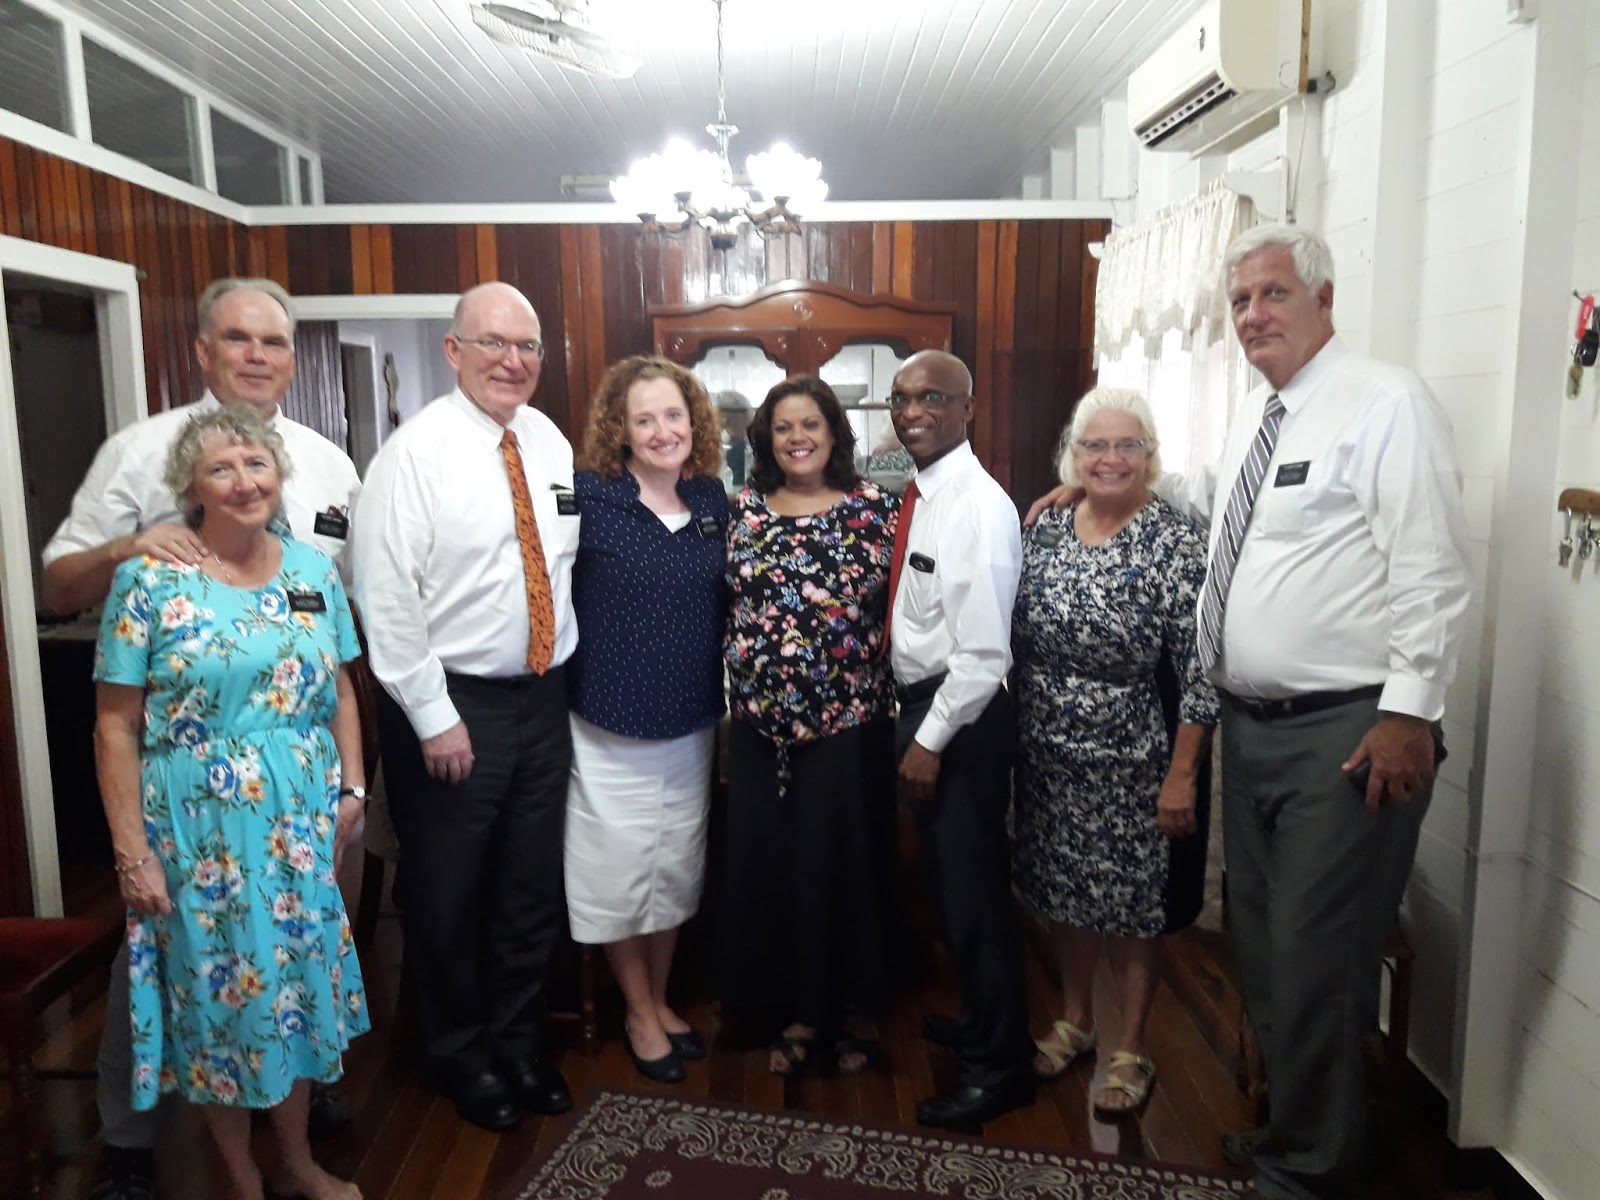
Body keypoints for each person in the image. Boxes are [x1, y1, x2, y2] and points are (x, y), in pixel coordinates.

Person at [1030, 224, 1472, 1199]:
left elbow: (1432, 570)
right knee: (1264, 949)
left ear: (1324, 299)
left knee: (1318, 955)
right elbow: (1218, 530)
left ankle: (1317, 1168)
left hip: (1349, 729)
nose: (1253, 315)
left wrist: (1408, 714)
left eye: (1274, 293)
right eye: (1239, 301)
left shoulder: (1384, 403)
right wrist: (1088, 481)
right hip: (1255, 729)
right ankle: (1295, 1136)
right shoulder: (1256, 419)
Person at [40, 277, 360, 1200]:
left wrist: (352, 789)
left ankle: (295, 1147)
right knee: (201, 993)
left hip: (299, 810)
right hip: (196, 817)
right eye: (238, 338)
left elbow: (339, 664)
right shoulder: (141, 491)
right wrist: (128, 545)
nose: (258, 356)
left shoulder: (326, 483)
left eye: (275, 341)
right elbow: (74, 626)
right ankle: (145, 1147)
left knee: (290, 984)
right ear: (201, 349)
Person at [350, 282, 577, 1133]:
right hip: (452, 707)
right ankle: (459, 1053)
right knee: (448, 894)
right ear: (454, 351)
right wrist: (432, 714)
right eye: (493, 343)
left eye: (527, 346)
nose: (512, 361)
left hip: (542, 698)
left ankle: (519, 1044)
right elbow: (384, 595)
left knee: (529, 887)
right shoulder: (414, 454)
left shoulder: (548, 442)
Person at [1010, 388, 1217, 1118]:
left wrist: (1182, 774)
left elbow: (1201, 671)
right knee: (1064, 891)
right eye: (1095, 445)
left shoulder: (1176, 541)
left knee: (1133, 907)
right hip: (1047, 751)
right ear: (1074, 455)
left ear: (1150, 455)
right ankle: (1076, 1020)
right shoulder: (1047, 527)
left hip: (1136, 757)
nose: (1110, 458)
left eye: (1128, 445)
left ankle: (1129, 1047)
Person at [719, 375, 899, 1077]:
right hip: (760, 731)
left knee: (844, 871)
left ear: (834, 434)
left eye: (811, 425)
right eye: (784, 427)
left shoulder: (875, 509)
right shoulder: (743, 511)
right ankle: (794, 1008)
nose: (798, 438)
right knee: (777, 871)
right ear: (766, 439)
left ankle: (853, 1009)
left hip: (847, 726)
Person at [564, 356, 728, 1083]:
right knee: (616, 874)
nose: (663, 431)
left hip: (692, 720)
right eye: (644, 419)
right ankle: (635, 1010)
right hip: (608, 723)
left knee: (674, 870)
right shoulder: (589, 498)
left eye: (673, 415)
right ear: (619, 431)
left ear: (694, 422)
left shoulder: (712, 498)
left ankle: (660, 999)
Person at [884, 350, 1034, 1130]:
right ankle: (981, 1023)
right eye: (901, 398)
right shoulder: (924, 495)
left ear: (967, 408)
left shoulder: (977, 505)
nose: (913, 411)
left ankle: (1001, 1069)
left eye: (932, 398)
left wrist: (929, 740)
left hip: (960, 723)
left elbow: (983, 656)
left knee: (976, 903)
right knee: (950, 891)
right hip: (926, 711)